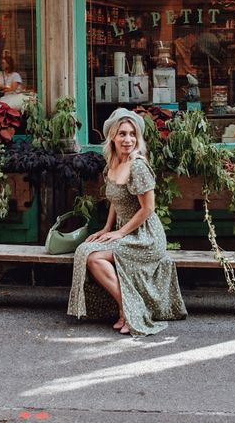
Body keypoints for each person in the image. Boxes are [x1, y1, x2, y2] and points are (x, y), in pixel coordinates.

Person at [67, 107, 187, 336]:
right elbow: (115, 199)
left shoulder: (138, 166)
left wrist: (120, 233)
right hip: (125, 231)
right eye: (122, 133)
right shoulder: (112, 164)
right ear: (112, 136)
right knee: (85, 251)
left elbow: (148, 209)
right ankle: (127, 308)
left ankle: (129, 310)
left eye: (132, 134)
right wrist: (106, 228)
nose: (128, 139)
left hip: (146, 237)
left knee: (93, 257)